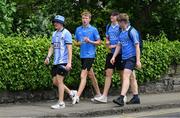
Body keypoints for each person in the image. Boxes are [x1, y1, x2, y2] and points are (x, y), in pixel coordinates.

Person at [44, 15, 77, 109]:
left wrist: (69, 62)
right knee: (55, 82)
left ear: (61, 23)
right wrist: (48, 57)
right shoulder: (54, 34)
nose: (55, 23)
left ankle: (61, 103)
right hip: (55, 62)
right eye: (54, 22)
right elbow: (52, 46)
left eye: (57, 22)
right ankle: (71, 93)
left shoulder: (67, 33)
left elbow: (70, 49)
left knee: (59, 80)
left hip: (63, 61)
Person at [110, 13, 141, 106]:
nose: (118, 24)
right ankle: (136, 98)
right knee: (132, 77)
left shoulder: (132, 31)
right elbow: (119, 45)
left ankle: (121, 97)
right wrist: (114, 56)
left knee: (125, 76)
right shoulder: (122, 32)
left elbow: (137, 46)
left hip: (131, 57)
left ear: (123, 22)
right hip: (125, 57)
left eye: (119, 22)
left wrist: (138, 60)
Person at [72, 11, 101, 104]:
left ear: (89, 19)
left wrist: (90, 41)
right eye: (83, 18)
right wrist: (79, 43)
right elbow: (75, 42)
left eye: (86, 18)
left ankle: (77, 96)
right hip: (82, 55)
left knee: (83, 75)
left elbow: (99, 42)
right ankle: (99, 94)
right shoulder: (78, 29)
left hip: (90, 55)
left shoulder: (93, 29)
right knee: (91, 75)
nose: (84, 20)